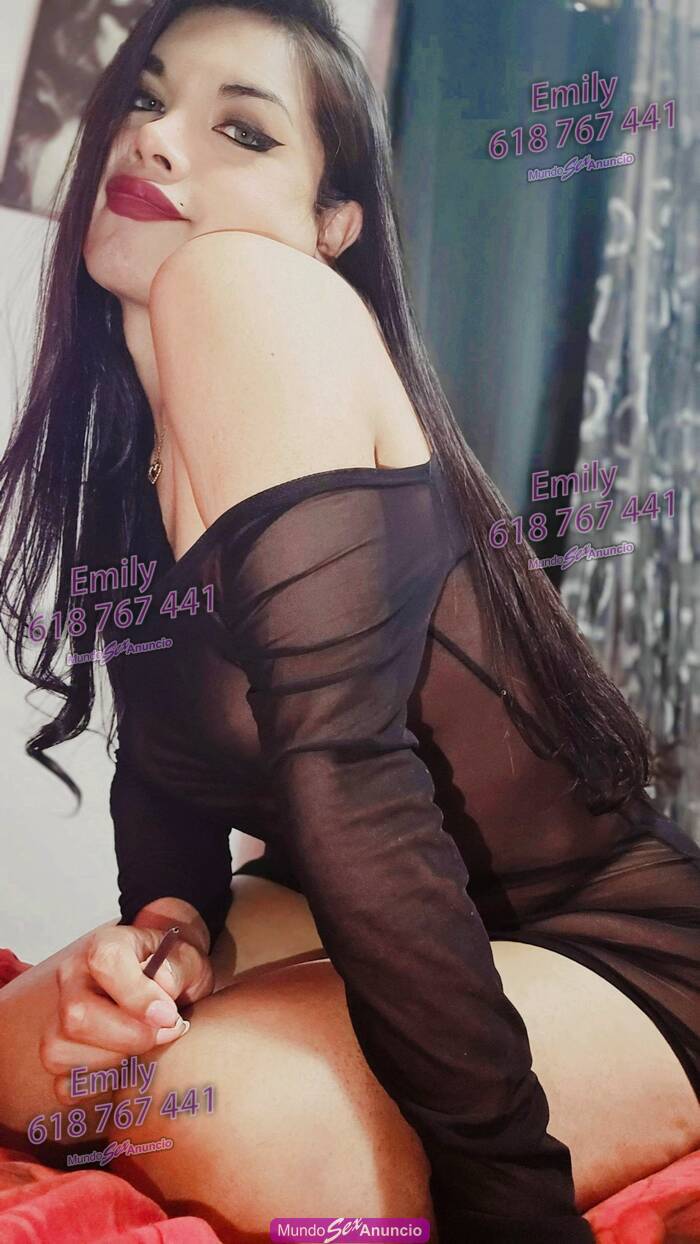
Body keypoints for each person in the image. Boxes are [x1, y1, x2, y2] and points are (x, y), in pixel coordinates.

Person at [0, 2, 698, 1241]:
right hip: (346, 895)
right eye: (146, 98)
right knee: (38, 1050)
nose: (154, 140)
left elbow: (353, 774)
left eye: (242, 131)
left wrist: (507, 1196)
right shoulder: (128, 449)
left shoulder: (243, 289)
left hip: (605, 926)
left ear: (331, 228)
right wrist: (170, 928)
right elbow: (164, 771)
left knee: (205, 1110)